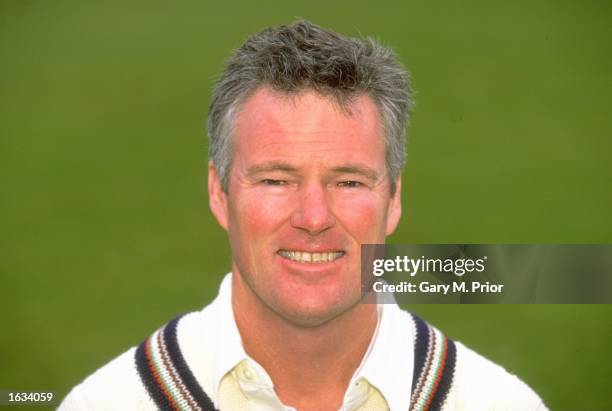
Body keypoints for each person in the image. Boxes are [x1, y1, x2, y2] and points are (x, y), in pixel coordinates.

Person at [59, 20, 547, 411]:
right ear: (218, 190)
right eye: (276, 180)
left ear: (394, 197)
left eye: (349, 181)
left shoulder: (500, 403)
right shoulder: (106, 402)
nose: (314, 217)